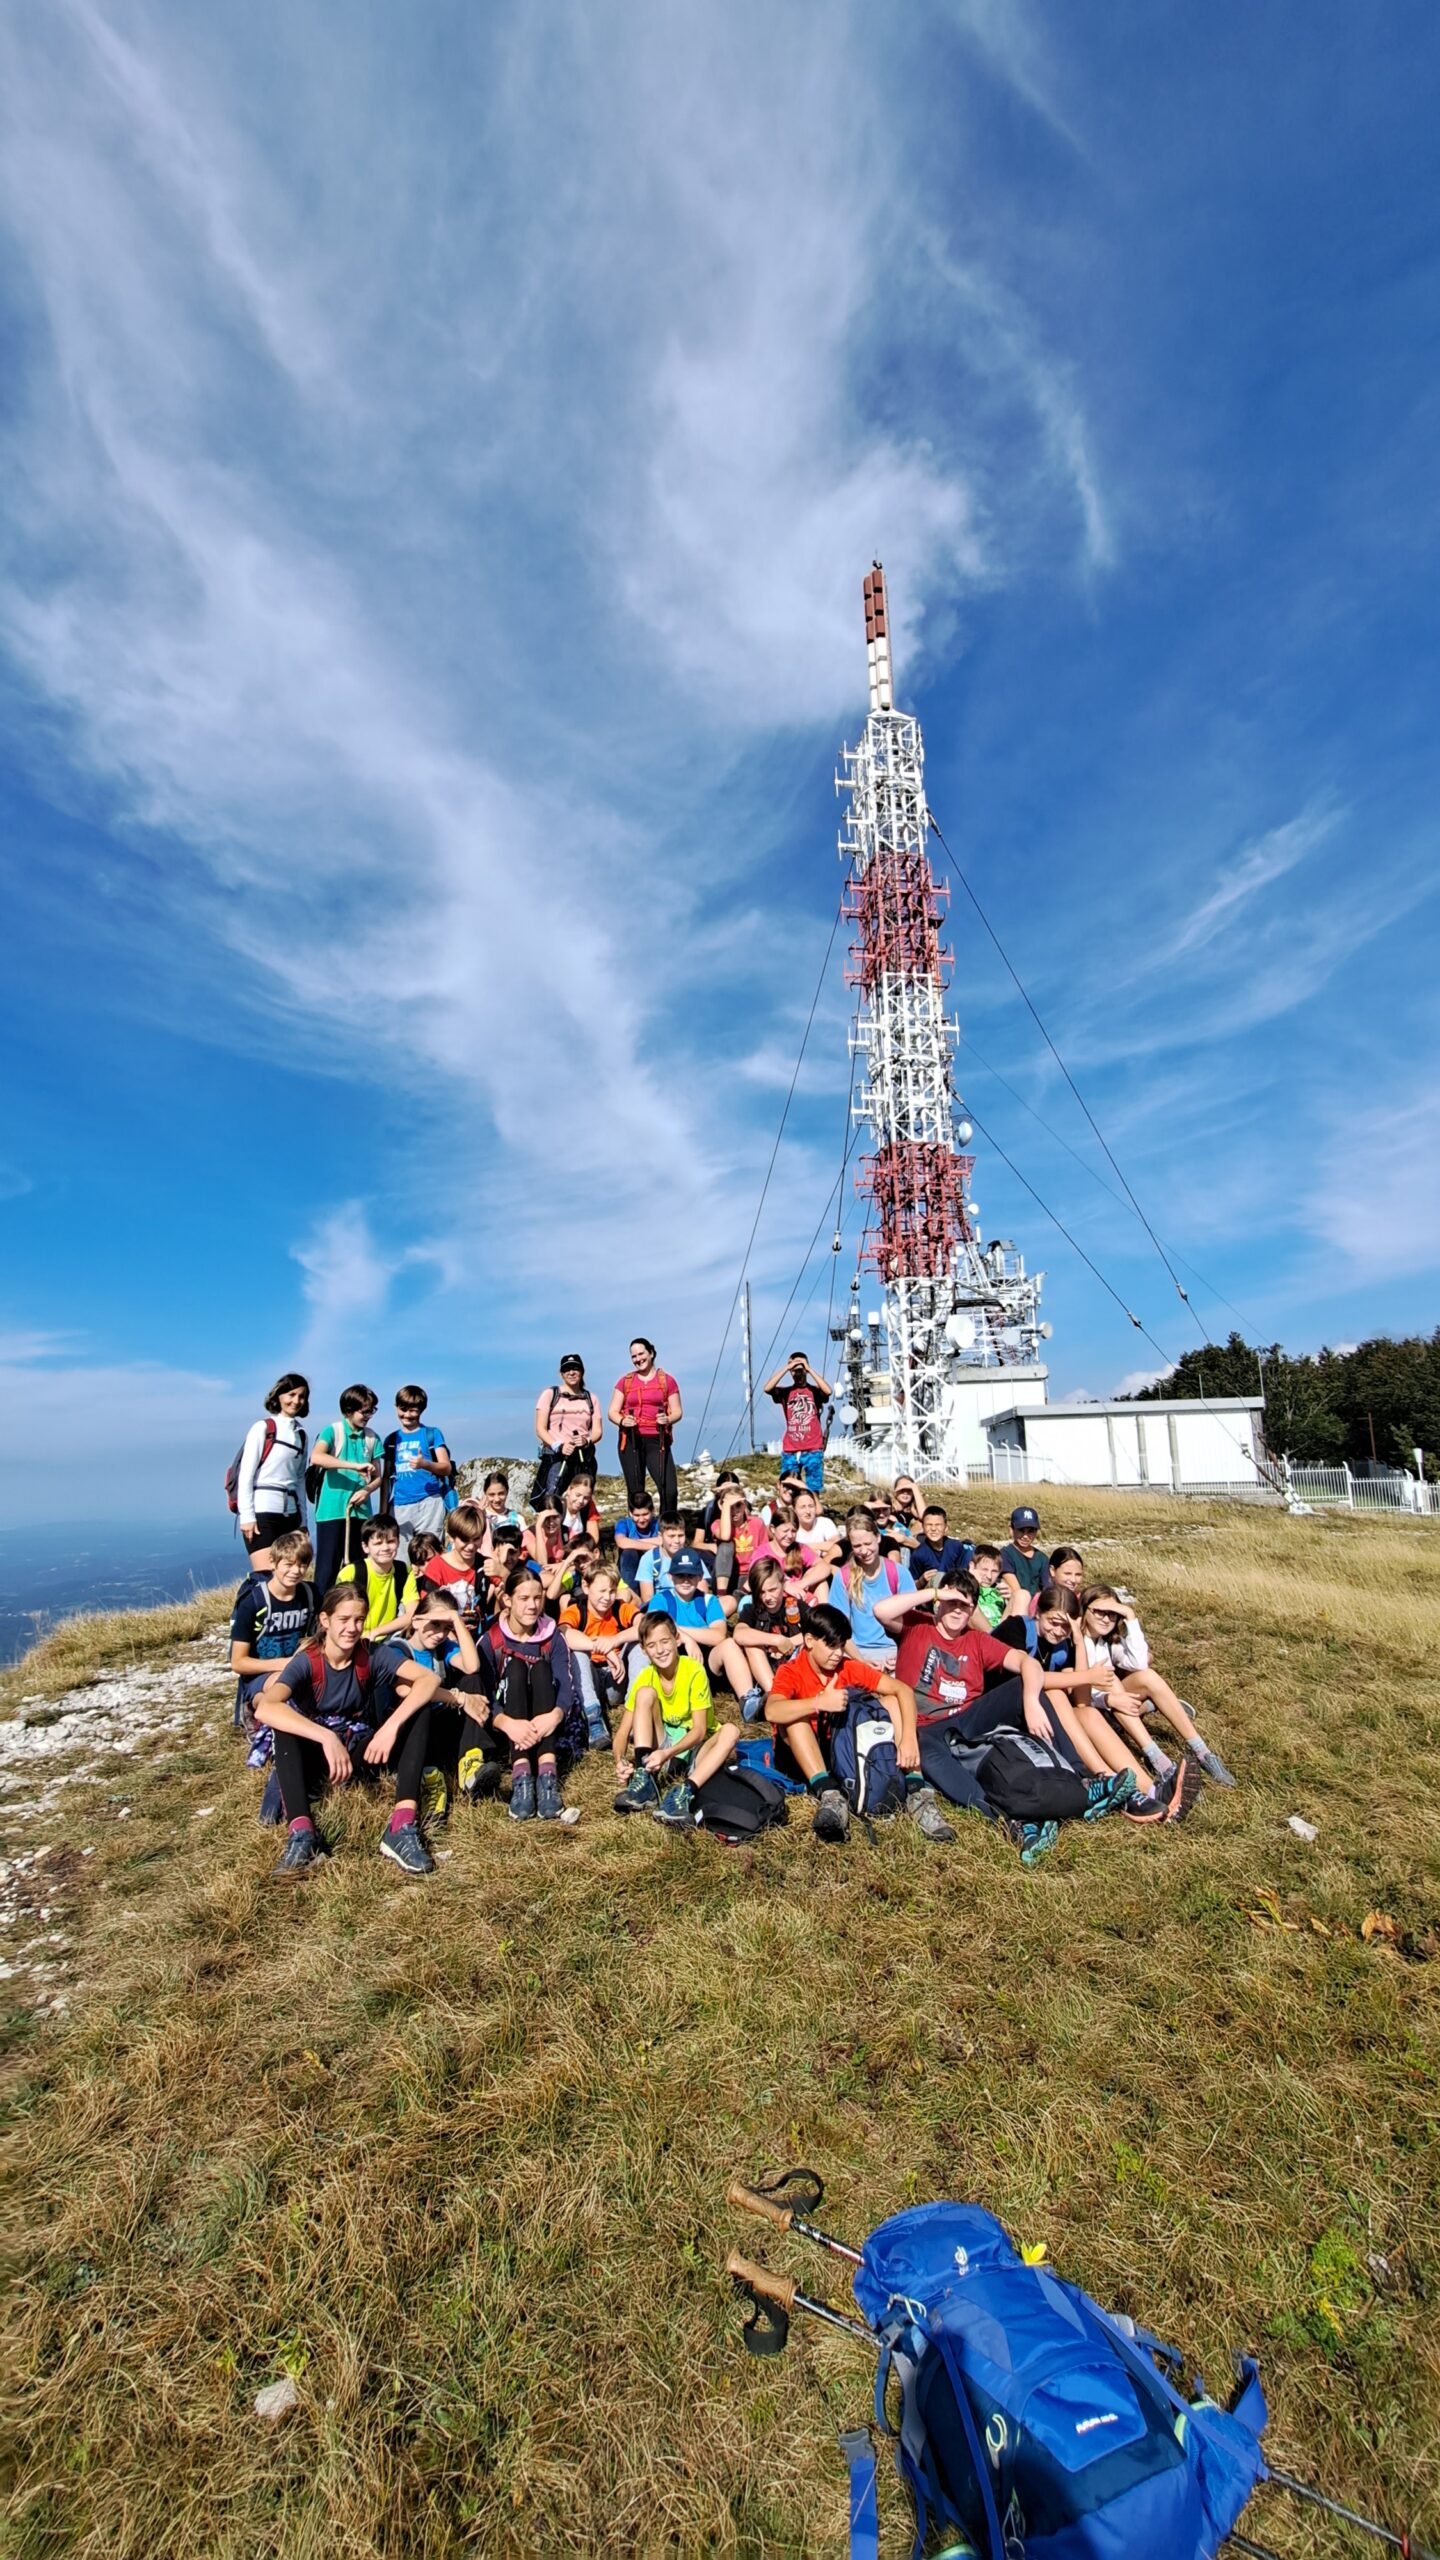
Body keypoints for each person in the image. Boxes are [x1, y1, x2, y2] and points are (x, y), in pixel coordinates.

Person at [876, 1573, 1143, 1853]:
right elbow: (881, 1610)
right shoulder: (916, 1625)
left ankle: (1084, 1778)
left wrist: (1030, 1700)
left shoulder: (977, 1640)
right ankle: (1007, 1819)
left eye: (965, 1605)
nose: (957, 1610)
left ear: (973, 1609)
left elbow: (1028, 1664)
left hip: (968, 1718)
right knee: (930, 1755)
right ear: (939, 1602)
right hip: (926, 1726)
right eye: (951, 1602)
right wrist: (935, 1594)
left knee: (1024, 1684)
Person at [253, 1583, 441, 1879]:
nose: (352, 1628)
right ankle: (302, 1835)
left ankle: (401, 1826)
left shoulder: (372, 1654)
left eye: (359, 1620)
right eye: (343, 1619)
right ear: (325, 1620)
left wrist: (390, 1728)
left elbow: (428, 1680)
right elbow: (266, 1707)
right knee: (283, 1726)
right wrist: (325, 1736)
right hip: (317, 1755)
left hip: (359, 1748)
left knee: (420, 1711)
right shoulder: (307, 1661)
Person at [764, 1604, 937, 1845]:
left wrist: (909, 1738)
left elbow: (903, 1690)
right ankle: (829, 1794)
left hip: (839, 1748)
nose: (838, 1653)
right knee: (794, 1719)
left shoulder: (846, 1667)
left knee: (891, 1701)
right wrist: (819, 1703)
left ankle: (917, 1791)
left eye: (842, 1645)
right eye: (831, 1645)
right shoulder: (790, 1671)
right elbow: (771, 1710)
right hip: (799, 1755)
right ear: (810, 1640)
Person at [1076, 1586, 1233, 1793]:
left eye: (1113, 1614)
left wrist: (1130, 1616)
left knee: (1148, 1676)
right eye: (1099, 1612)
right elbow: (1073, 1692)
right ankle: (1159, 1760)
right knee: (1111, 1680)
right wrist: (1107, 1699)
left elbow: (1140, 1663)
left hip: (1111, 1703)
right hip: (1088, 1709)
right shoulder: (1076, 1641)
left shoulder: (1106, 1641)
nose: (1106, 1619)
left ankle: (1202, 1751)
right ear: (1084, 1610)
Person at [477, 1568, 587, 1822]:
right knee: (515, 1668)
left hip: (546, 1718)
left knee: (541, 1669)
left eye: (537, 1598)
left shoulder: (552, 1636)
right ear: (508, 1600)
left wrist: (555, 1716)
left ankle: (547, 1776)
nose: (532, 1605)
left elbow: (566, 1684)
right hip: (507, 1722)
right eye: (524, 1599)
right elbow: (482, 1692)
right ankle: (522, 1776)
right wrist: (505, 1722)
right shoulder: (492, 1638)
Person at [613, 1614, 741, 1824]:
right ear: (644, 1650)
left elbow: (699, 1731)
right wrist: (620, 1760)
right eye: (652, 1645)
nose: (660, 1650)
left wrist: (667, 1753)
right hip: (665, 1747)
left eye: (665, 1641)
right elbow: (622, 1733)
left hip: (697, 1746)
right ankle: (645, 1778)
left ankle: (685, 1791)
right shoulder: (645, 1676)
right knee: (644, 1694)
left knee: (731, 1731)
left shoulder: (694, 1670)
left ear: (677, 1639)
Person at [229, 1529, 316, 1736]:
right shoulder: (253, 1602)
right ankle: (254, 1708)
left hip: (298, 1666)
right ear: (273, 1563)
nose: (296, 1571)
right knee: (283, 1685)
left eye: (302, 1565)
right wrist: (285, 1664)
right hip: (260, 1676)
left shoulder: (311, 1595)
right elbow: (238, 1662)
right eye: (288, 1564)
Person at [643, 1548, 752, 1696]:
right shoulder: (661, 1599)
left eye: (691, 1575)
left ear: (700, 1577)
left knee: (729, 1644)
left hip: (704, 1659)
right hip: (673, 1661)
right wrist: (687, 1640)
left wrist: (677, 1629)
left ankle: (748, 1698)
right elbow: (653, 1627)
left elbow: (718, 1635)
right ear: (670, 1576)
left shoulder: (708, 1601)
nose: (685, 1580)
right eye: (680, 1575)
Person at [307, 1384, 382, 1592]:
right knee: (327, 1570)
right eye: (364, 1411)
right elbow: (317, 1457)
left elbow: (378, 1477)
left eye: (371, 1411)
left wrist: (366, 1490)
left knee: (359, 1568)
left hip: (361, 1511)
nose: (368, 1416)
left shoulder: (372, 1438)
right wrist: (353, 1466)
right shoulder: (333, 1431)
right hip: (331, 1510)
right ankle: (322, 1610)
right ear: (349, 1409)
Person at [236, 1375, 310, 1570]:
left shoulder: (301, 1434)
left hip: (291, 1515)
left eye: (301, 1396)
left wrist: (303, 1521)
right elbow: (246, 1474)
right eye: (291, 1394)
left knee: (290, 1574)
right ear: (279, 1396)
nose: (296, 1401)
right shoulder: (263, 1428)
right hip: (263, 1513)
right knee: (265, 1575)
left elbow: (299, 1480)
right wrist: (247, 1516)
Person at [559, 1561, 638, 1746]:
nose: (607, 1597)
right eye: (602, 1591)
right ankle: (593, 1717)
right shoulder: (577, 1610)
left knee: (639, 1646)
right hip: (590, 1678)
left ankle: (636, 1712)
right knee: (577, 1653)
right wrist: (602, 1648)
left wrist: (614, 1641)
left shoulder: (620, 1608)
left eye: (612, 1591)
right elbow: (564, 1632)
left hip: (616, 1678)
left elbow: (645, 1626)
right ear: (586, 1587)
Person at [829, 1508, 916, 1667]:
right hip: (856, 1652)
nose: (864, 1551)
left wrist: (902, 1654)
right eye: (857, 1546)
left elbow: (912, 1623)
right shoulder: (843, 1577)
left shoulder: (898, 1573)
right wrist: (861, 1661)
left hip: (894, 1650)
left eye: (868, 1544)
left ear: (878, 1538)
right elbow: (838, 1628)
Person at [609, 1337, 682, 1514]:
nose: (638, 1359)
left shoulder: (668, 1381)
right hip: (631, 1439)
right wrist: (622, 1421)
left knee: (669, 1490)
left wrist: (667, 1419)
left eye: (641, 1354)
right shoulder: (625, 1381)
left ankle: (667, 1525)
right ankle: (638, 1526)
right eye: (633, 1356)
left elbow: (677, 1412)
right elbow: (612, 1411)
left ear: (651, 1353)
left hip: (658, 1439)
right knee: (636, 1492)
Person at [381, 1386, 454, 1552]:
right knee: (400, 1557)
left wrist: (425, 1464)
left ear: (421, 1410)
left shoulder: (432, 1434)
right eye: (403, 1409)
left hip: (429, 1502)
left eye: (413, 1410)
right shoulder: (391, 1440)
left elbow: (446, 1467)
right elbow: (386, 1477)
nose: (407, 1415)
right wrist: (383, 1514)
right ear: (396, 1407)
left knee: (429, 1554)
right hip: (399, 1505)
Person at [731, 1557, 804, 1713]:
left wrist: (789, 1642)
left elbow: (816, 1631)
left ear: (783, 1584)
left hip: (793, 1664)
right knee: (751, 1645)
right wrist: (776, 1640)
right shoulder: (752, 1609)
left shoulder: (794, 1606)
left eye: (772, 1590)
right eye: (761, 1592)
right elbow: (739, 1633)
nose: (767, 1597)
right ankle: (775, 1695)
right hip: (765, 1668)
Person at [532, 1356, 604, 1511]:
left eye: (575, 1368)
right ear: (561, 1373)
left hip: (583, 1456)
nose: (571, 1372)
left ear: (582, 1372)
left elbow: (598, 1431)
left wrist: (586, 1440)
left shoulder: (591, 1399)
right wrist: (558, 1446)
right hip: (556, 1456)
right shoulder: (550, 1394)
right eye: (566, 1369)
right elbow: (540, 1428)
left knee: (582, 1498)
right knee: (552, 1498)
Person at [337, 1513, 420, 1637]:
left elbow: (412, 1614)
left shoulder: (404, 1571)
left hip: (386, 1638)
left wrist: (375, 1633)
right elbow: (338, 1615)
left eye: (391, 1541)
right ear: (365, 1547)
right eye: (378, 1543)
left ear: (398, 1542)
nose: (385, 1548)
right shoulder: (351, 1573)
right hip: (353, 1637)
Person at [763, 1352, 832, 1492]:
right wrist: (787, 1368)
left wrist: (809, 1369)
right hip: (791, 1448)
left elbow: (828, 1391)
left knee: (813, 1488)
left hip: (813, 1447)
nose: (798, 1373)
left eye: (801, 1369)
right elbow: (767, 1388)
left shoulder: (814, 1391)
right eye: (794, 1371)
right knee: (789, 1487)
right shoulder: (786, 1392)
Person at [419, 1503, 488, 1631]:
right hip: (444, 1633)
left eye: (476, 1539)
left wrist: (503, 1572)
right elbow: (426, 1609)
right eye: (464, 1540)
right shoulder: (437, 1566)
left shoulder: (485, 1564)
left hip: (477, 1630)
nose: (471, 1546)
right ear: (451, 1537)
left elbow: (511, 1590)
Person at [911, 1504, 974, 1585]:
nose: (933, 1529)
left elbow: (964, 1572)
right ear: (923, 1528)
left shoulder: (956, 1546)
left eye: (938, 1525)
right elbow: (912, 1585)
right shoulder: (918, 1554)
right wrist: (921, 1581)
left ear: (946, 1528)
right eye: (929, 1525)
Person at [999, 1507, 1047, 1610]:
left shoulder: (1042, 1558)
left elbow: (1047, 1588)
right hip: (1016, 1606)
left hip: (1038, 1607)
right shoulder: (1005, 1554)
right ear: (1011, 1529)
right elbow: (1016, 1590)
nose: (1025, 1536)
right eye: (1021, 1530)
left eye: (1030, 1531)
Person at [613, 1494, 659, 1594]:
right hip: (630, 1567)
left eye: (645, 1514)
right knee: (629, 1553)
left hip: (654, 1566)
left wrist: (631, 1541)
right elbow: (621, 1542)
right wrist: (654, 1546)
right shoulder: (624, 1523)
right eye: (637, 1515)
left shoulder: (658, 1524)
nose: (641, 1520)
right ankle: (630, 1594)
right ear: (630, 1513)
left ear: (652, 1511)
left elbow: (664, 1540)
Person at [968, 1544, 1007, 1631]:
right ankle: (993, 1636)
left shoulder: (1001, 1589)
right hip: (980, 1631)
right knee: (968, 1606)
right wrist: (973, 1583)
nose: (989, 1576)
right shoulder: (963, 1586)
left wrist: (1011, 1599)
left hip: (1002, 1631)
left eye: (994, 1571)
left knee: (1022, 1594)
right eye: (984, 1570)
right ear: (972, 1566)